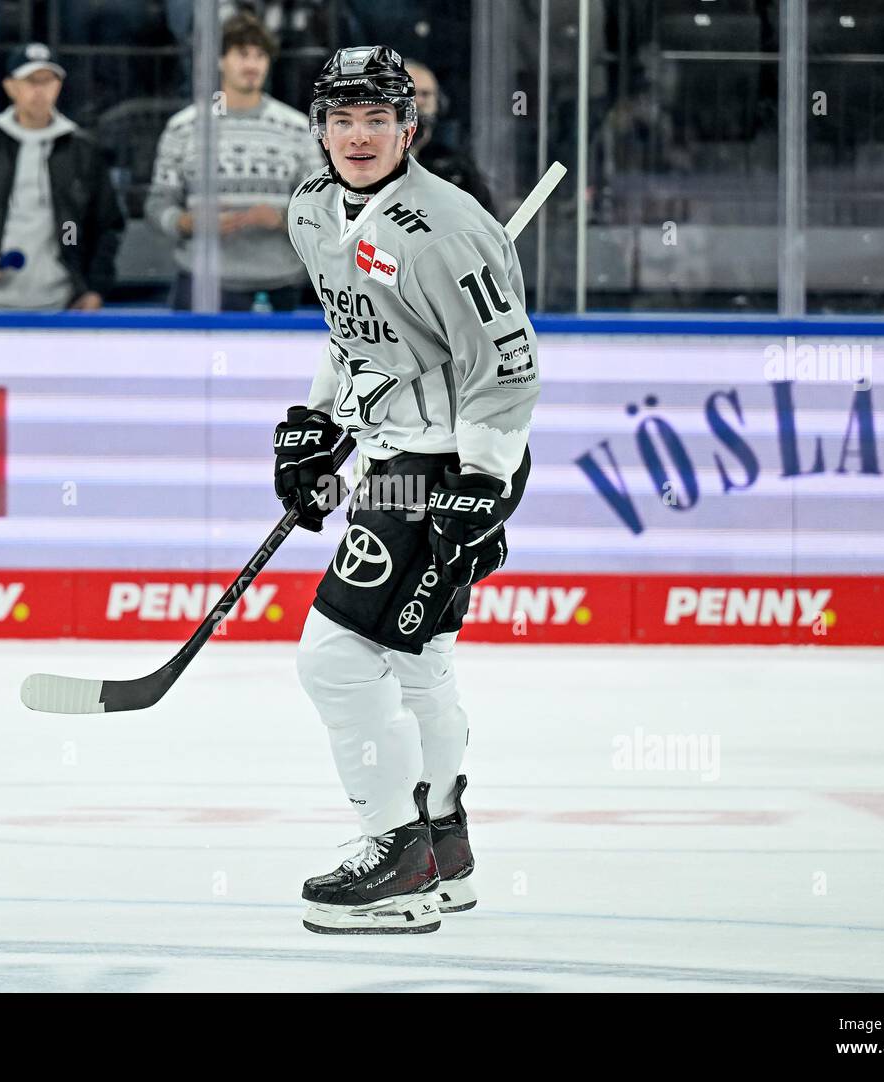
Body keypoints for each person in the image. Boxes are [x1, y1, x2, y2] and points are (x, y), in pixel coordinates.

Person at [278, 46, 539, 934]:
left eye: (376, 119)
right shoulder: (313, 210)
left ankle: (395, 852)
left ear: (408, 129)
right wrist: (320, 424)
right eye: (342, 120)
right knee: (418, 660)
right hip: (393, 453)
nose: (358, 136)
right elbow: (353, 329)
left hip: (450, 461)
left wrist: (483, 485)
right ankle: (443, 845)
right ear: (320, 128)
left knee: (332, 658)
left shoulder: (450, 228)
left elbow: (506, 369)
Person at [144, 12, 322, 311]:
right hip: (202, 284)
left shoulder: (296, 127)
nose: (252, 64)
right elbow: (157, 203)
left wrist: (283, 219)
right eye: (242, 54)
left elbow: (322, 208)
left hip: (280, 284)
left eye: (260, 55)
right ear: (219, 60)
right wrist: (188, 222)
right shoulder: (185, 126)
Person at [0, 43, 124, 310]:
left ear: (58, 86)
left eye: (48, 81)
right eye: (30, 81)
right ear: (10, 86)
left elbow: (107, 224)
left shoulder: (81, 150)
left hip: (66, 303)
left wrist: (95, 288)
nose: (39, 90)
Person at [404, 58, 495, 215]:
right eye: (409, 92)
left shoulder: (454, 167)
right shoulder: (370, 161)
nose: (417, 101)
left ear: (440, 103)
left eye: (425, 94)